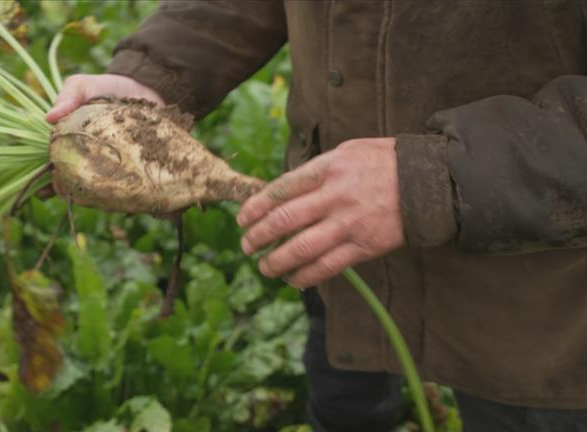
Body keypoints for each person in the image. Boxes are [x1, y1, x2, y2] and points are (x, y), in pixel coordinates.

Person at [46, 1, 587, 430]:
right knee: (345, 404)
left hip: (545, 306)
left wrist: (432, 177)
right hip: (338, 245)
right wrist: (154, 73)